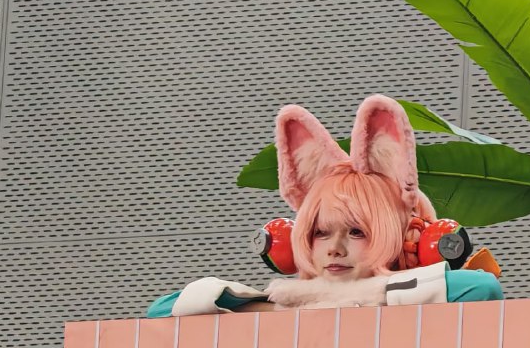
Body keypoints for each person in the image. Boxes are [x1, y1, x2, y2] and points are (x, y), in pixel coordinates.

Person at [147, 95, 502, 317]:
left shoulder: (410, 296)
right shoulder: (282, 303)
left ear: (409, 240)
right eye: (320, 233)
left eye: (357, 232)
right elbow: (163, 309)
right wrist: (275, 309)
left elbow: (480, 288)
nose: (335, 248)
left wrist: (351, 299)